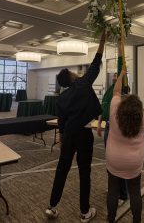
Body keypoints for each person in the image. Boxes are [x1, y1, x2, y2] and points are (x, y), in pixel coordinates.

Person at [45, 32, 106, 222]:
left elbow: (61, 125)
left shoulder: (61, 99)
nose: (74, 72)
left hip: (69, 136)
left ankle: (52, 207)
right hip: (83, 135)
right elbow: (96, 63)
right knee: (84, 172)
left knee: (61, 169)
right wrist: (102, 41)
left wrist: (63, 142)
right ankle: (85, 212)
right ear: (71, 76)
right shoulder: (83, 84)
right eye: (72, 72)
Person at [106, 68, 144, 223]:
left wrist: (122, 74)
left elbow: (116, 92)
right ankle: (137, 220)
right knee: (135, 193)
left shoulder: (114, 111)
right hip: (134, 162)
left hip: (114, 160)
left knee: (113, 192)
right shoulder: (143, 117)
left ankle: (111, 219)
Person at [97, 39, 128, 205]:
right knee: (111, 160)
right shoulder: (110, 91)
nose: (115, 77)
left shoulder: (121, 90)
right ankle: (115, 189)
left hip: (117, 130)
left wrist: (119, 46)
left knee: (119, 161)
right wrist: (101, 123)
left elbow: (121, 64)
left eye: (118, 75)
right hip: (108, 127)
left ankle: (123, 194)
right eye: (114, 76)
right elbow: (103, 106)